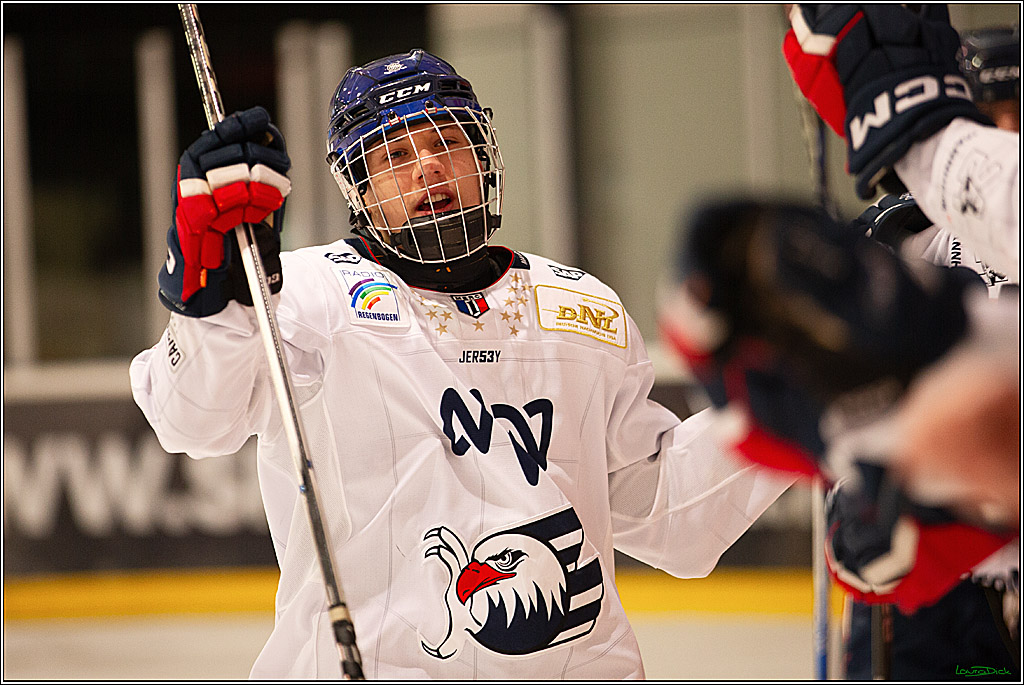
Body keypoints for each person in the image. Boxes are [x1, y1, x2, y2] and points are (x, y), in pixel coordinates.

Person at [130, 49, 795, 679]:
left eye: (447, 142)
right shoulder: (300, 295)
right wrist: (212, 301)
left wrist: (794, 388)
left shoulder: (579, 308)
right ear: (358, 186)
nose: (428, 167)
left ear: (483, 158)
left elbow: (671, 517)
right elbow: (191, 421)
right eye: (394, 155)